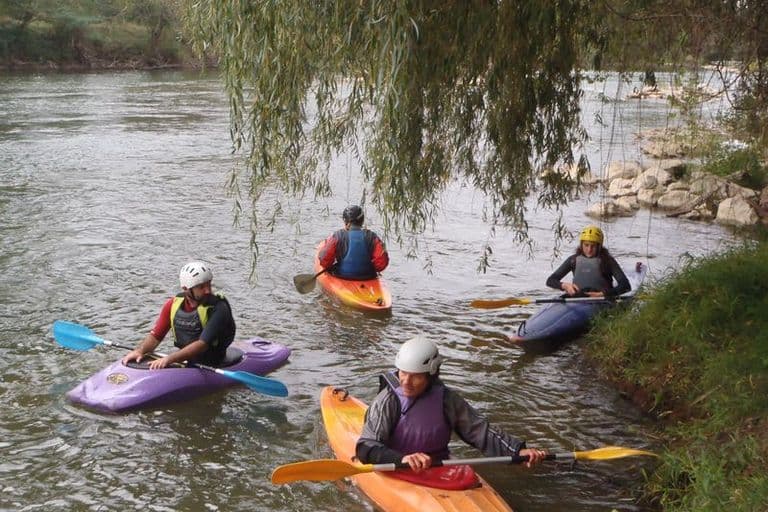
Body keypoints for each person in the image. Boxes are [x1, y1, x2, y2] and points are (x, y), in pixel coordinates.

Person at [356, 336, 547, 472]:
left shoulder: (447, 399)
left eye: (416, 377)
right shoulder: (388, 400)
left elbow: (480, 430)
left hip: (437, 465)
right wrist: (403, 459)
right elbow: (365, 447)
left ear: (431, 375)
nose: (406, 381)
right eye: (403, 373)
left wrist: (517, 451)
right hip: (395, 464)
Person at [122, 261, 236, 370]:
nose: (208, 290)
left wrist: (169, 359)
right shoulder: (173, 305)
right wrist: (140, 351)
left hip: (214, 362)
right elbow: (156, 336)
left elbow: (202, 344)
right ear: (186, 288)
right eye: (201, 287)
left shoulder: (219, 308)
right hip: (186, 360)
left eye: (209, 285)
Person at [546, 225, 630, 298]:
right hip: (578, 298)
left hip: (602, 300)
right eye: (586, 245)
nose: (589, 250)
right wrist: (564, 286)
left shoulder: (608, 261)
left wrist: (602, 294)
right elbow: (550, 281)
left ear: (599, 247)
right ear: (581, 244)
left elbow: (625, 286)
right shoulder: (573, 260)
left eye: (593, 246)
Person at [318, 205, 389, 280]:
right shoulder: (372, 237)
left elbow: (324, 260)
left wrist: (331, 266)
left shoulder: (337, 236)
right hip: (368, 277)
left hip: (342, 276)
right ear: (362, 221)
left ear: (346, 221)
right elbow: (381, 264)